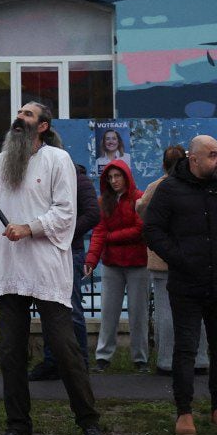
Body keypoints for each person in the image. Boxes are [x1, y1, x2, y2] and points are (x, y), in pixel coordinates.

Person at [0, 102, 104, 435]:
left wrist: (29, 227)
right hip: (9, 269)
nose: (19, 118)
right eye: (19, 114)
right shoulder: (2, 160)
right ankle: (18, 426)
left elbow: (66, 213)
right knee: (11, 353)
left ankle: (89, 423)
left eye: (27, 115)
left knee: (66, 350)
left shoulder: (58, 159)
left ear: (42, 126)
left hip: (46, 268)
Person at [141, 134, 217, 435]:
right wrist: (179, 258)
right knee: (186, 348)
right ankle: (184, 412)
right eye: (213, 155)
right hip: (186, 284)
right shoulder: (170, 189)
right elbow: (152, 229)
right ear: (194, 159)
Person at [137, 145, 208, 379]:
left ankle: (167, 360)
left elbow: (141, 208)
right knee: (197, 311)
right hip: (193, 257)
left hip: (163, 258)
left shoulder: (159, 186)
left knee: (166, 311)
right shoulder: (196, 184)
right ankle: (200, 358)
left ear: (163, 165)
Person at [27, 160, 99, 382]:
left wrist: (65, 233)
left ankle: (79, 364)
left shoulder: (79, 180)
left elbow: (93, 214)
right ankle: (53, 362)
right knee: (48, 309)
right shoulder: (44, 182)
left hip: (69, 252)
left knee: (72, 310)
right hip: (45, 251)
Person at [84, 159, 150, 372]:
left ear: (126, 177)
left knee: (138, 314)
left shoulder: (139, 198)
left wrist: (110, 237)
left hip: (137, 263)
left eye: (117, 176)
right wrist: (91, 260)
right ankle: (103, 358)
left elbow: (140, 229)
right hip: (112, 264)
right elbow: (98, 231)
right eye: (110, 177)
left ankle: (140, 359)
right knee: (108, 312)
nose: (114, 181)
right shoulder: (104, 201)